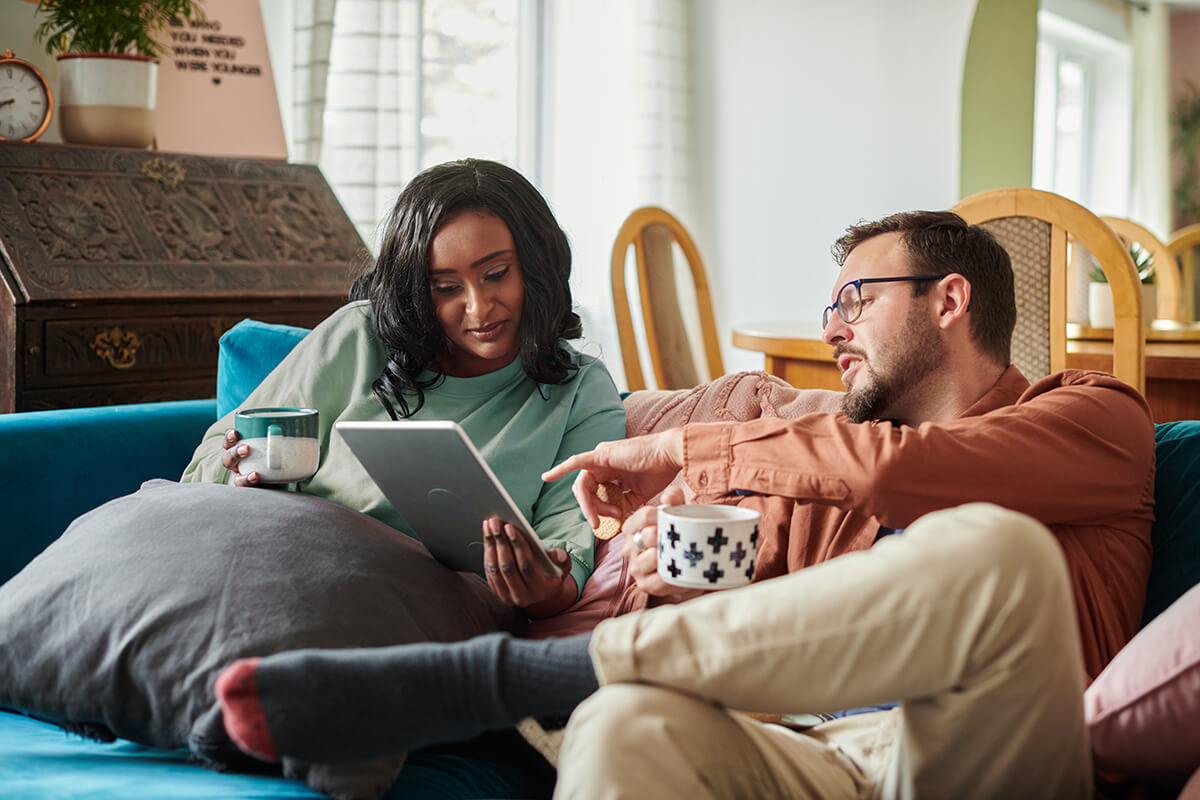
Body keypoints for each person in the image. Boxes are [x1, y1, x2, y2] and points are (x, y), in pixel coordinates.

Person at [210, 211, 1155, 798]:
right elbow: (774, 622)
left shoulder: (1096, 419)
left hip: (982, 755)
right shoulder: (814, 472)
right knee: (630, 726)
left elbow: (894, 468)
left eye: (856, 299)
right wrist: (685, 585)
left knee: (997, 551)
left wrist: (675, 447)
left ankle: (493, 680)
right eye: (829, 307)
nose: (831, 328)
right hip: (801, 751)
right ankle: (550, 684)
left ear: (950, 299)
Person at [183, 158, 626, 617]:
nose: (478, 309)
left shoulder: (580, 389)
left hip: (417, 611)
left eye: (496, 275)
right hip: (274, 563)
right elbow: (209, 462)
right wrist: (238, 472)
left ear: (536, 267)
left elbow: (567, 549)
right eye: (446, 287)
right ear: (418, 290)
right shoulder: (358, 338)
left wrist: (542, 587)